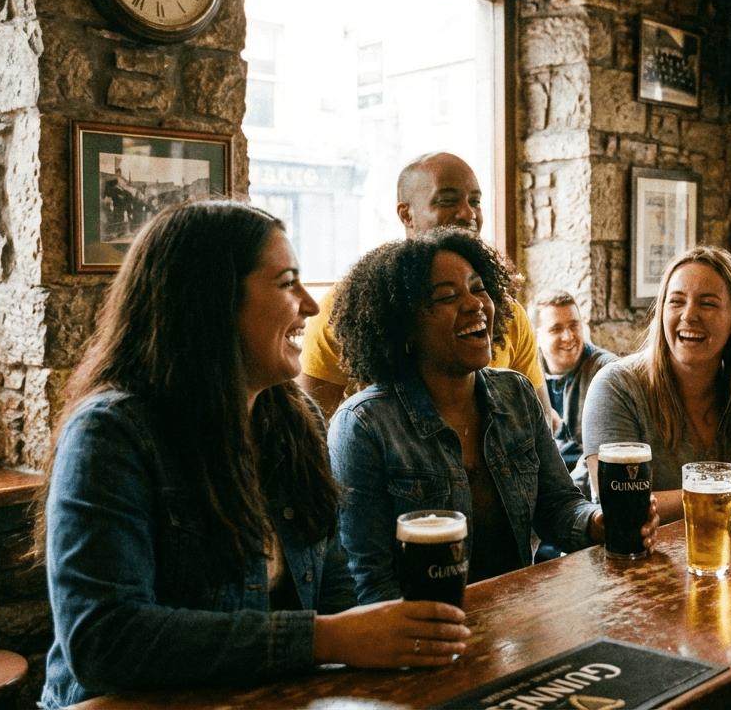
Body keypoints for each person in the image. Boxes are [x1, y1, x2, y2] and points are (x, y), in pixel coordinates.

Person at [34, 202, 468, 709]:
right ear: (212, 302)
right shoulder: (111, 434)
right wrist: (327, 639)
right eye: (287, 283)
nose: (309, 304)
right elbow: (104, 641)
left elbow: (332, 587)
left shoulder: (293, 416)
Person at [328, 228, 658, 603]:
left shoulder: (515, 393)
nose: (475, 304)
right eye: (448, 296)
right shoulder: (364, 425)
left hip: (519, 620)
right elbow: (370, 584)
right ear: (405, 327)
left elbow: (559, 506)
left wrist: (599, 523)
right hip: (425, 636)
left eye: (479, 288)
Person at [296, 152, 547, 418]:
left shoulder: (503, 312)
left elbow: (537, 422)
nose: (468, 213)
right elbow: (312, 429)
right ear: (407, 215)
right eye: (448, 200)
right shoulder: (347, 310)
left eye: (475, 201)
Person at [583, 246, 731, 522]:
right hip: (637, 559)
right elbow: (618, 503)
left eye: (707, 303)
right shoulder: (617, 387)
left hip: (726, 556)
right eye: (676, 301)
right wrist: (727, 495)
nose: (688, 315)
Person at [531, 289, 619, 491]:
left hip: (585, 496)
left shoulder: (608, 372)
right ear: (536, 335)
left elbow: (599, 454)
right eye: (556, 329)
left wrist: (564, 499)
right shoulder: (526, 371)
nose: (568, 336)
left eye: (574, 325)